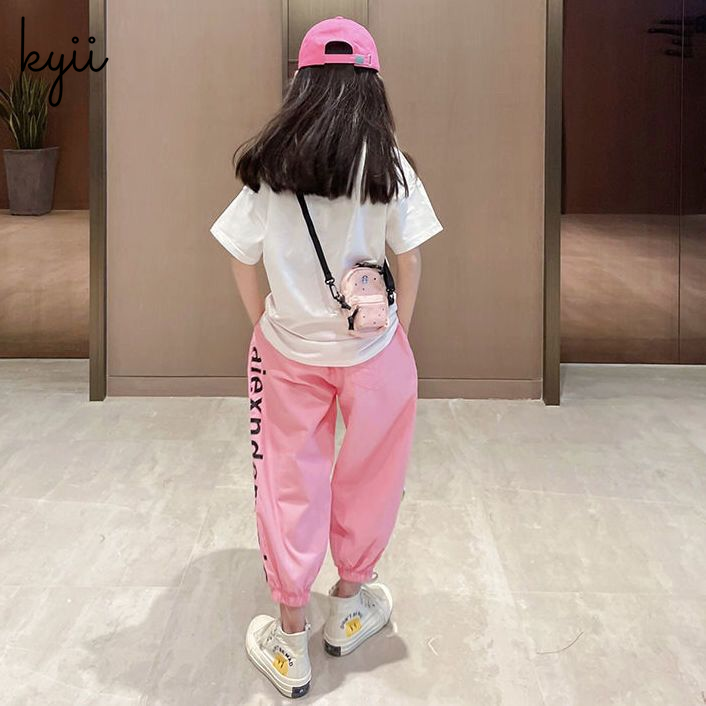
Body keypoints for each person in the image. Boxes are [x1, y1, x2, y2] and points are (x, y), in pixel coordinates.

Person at [209, 16, 443, 699]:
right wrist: (397, 335)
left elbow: (239, 254)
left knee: (287, 479)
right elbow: (410, 258)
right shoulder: (390, 163)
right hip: (373, 350)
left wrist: (263, 326)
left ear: (302, 84)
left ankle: (290, 639)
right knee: (373, 474)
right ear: (372, 86)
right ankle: (348, 605)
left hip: (288, 350)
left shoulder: (273, 166)